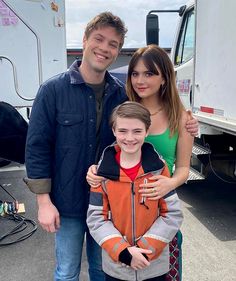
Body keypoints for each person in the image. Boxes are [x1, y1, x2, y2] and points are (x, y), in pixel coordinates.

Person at [24, 12, 128, 281]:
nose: (105, 48)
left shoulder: (120, 95)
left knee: (102, 271)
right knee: (67, 272)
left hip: (105, 204)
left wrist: (184, 121)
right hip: (66, 203)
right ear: (84, 40)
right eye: (99, 39)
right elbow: (37, 148)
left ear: (118, 51)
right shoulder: (52, 91)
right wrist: (43, 202)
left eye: (113, 44)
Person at [86, 45, 194, 281]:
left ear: (165, 77)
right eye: (135, 73)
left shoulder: (182, 118)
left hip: (159, 213)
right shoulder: (123, 110)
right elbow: (108, 152)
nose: (140, 80)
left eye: (149, 73)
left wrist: (169, 183)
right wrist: (95, 171)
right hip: (120, 219)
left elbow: (184, 168)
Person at [87, 101, 183, 281]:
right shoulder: (101, 174)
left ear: (147, 131)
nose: (129, 138)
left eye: (137, 131)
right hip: (118, 267)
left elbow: (172, 214)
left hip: (153, 266)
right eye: (122, 131)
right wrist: (123, 252)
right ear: (114, 131)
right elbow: (96, 218)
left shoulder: (158, 169)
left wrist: (146, 250)